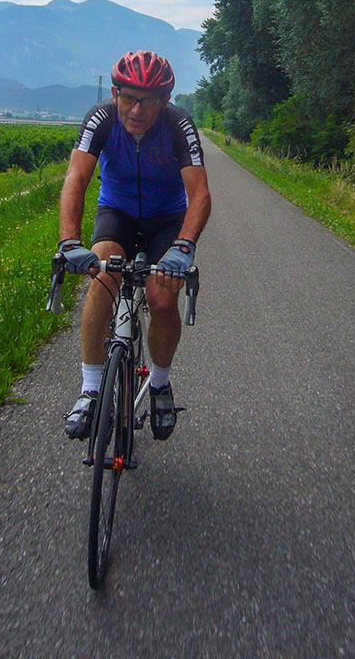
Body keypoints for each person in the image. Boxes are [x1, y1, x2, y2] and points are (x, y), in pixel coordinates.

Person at [57, 50, 211, 440]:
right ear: (114, 93)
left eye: (150, 100)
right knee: (102, 279)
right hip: (118, 212)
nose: (137, 110)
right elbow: (76, 178)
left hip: (165, 220)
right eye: (128, 97)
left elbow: (200, 195)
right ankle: (91, 389)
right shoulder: (101, 118)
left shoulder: (179, 126)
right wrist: (69, 241)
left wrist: (184, 246)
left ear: (166, 101)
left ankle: (159, 384)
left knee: (161, 298)